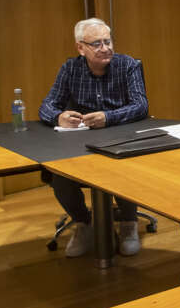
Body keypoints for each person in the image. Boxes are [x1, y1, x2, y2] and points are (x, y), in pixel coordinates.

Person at [39, 18, 149, 257]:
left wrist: (108, 117)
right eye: (97, 43)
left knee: (124, 168)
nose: (105, 48)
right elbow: (47, 105)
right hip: (81, 143)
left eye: (108, 41)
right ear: (81, 48)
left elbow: (141, 105)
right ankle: (84, 224)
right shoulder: (70, 69)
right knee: (60, 175)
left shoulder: (127, 65)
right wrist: (59, 117)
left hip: (121, 138)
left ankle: (129, 224)